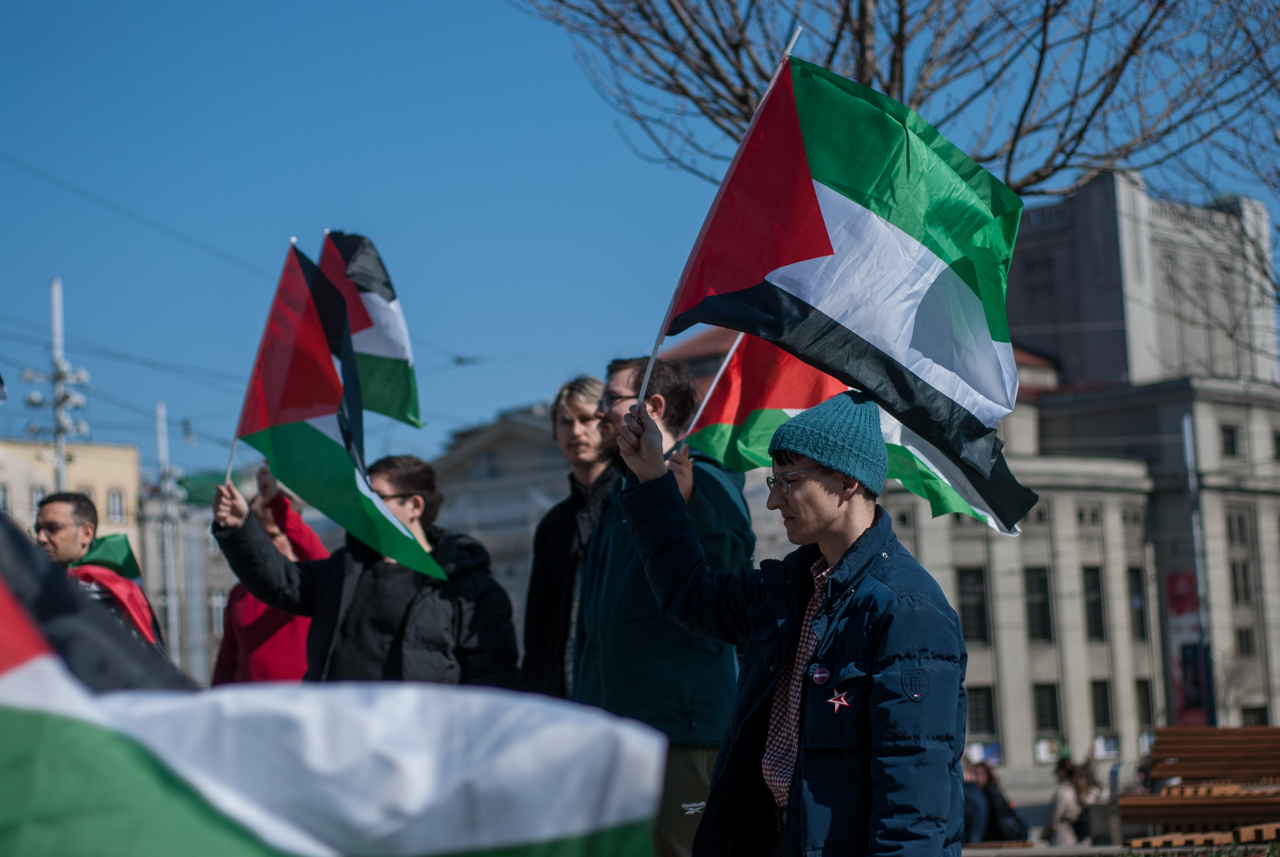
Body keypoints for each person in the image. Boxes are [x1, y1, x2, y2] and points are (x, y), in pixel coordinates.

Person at [616, 390, 967, 857]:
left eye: (789, 481)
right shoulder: (787, 590)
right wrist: (651, 477)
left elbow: (914, 797)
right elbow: (691, 596)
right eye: (772, 481)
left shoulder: (906, 607)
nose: (773, 500)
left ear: (847, 481)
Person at [575, 357, 755, 857]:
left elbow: (730, 580)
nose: (599, 411)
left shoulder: (703, 477)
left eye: (611, 399)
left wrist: (691, 502)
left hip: (681, 733)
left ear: (652, 406)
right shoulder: (620, 494)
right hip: (617, 731)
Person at [212, 455, 519, 687]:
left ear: (414, 506)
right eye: (362, 499)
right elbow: (279, 581)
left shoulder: (469, 589)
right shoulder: (343, 572)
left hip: (420, 747)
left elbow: (492, 682)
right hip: (341, 741)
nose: (365, 507)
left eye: (377, 497)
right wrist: (240, 527)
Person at [521, 375, 614, 697]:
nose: (576, 431)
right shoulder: (554, 525)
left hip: (626, 690)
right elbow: (539, 628)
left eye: (586, 419)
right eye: (565, 422)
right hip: (566, 694)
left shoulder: (635, 502)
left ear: (607, 422)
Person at [211, 466, 327, 685]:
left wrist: (276, 502)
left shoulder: (311, 584)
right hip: (249, 702)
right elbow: (226, 662)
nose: (264, 546)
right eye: (259, 536)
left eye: (273, 535)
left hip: (301, 700)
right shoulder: (238, 594)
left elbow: (319, 556)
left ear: (291, 534)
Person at [34, 491, 163, 647]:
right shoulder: (49, 583)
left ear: (86, 533)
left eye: (53, 528)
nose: (41, 538)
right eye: (37, 530)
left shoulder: (100, 592)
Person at [1043, 758, 1082, 846]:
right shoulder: (1073, 788)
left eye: (1056, 772)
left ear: (1062, 772)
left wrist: (1045, 834)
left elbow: (1054, 817)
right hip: (1071, 836)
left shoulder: (1062, 791)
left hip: (1061, 837)